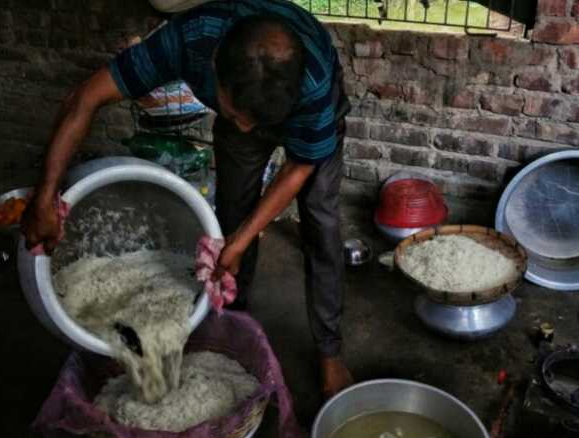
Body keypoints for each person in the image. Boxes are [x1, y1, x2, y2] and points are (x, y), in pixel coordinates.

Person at [20, 0, 354, 399]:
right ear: (213, 67)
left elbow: (298, 168)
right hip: (250, 96)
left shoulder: (312, 83)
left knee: (321, 224)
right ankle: (229, 320)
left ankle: (329, 352)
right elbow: (85, 97)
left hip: (310, 118)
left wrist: (246, 239)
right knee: (230, 218)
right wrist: (44, 196)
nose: (245, 128)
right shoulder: (188, 40)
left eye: (254, 122)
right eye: (235, 114)